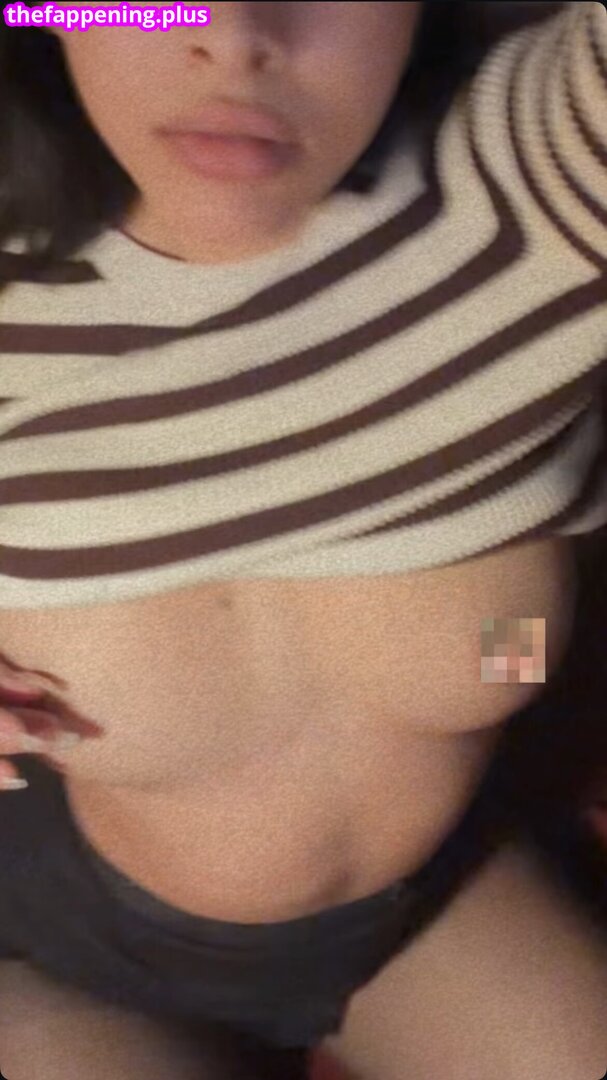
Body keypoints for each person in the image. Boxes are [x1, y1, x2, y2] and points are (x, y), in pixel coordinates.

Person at [0, 2, 606, 1078]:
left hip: (420, 912)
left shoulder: (533, 182)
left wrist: (495, 649)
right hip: (54, 941)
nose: (235, 36)